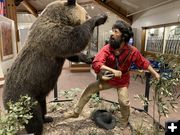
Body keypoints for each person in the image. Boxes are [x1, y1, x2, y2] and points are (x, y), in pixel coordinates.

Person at [62, 20, 160, 129]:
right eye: (112, 31)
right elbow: (96, 63)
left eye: (116, 31)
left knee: (124, 101)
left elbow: (143, 62)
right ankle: (76, 112)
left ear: (123, 36)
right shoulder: (107, 48)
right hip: (108, 79)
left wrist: (155, 73)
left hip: (122, 81)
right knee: (89, 89)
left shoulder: (132, 51)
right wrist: (112, 71)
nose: (112, 34)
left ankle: (124, 121)